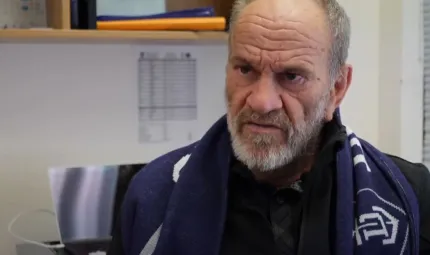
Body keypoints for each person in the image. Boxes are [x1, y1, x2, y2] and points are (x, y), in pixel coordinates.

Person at [108, 0, 430, 254]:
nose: (262, 102)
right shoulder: (152, 197)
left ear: (336, 89)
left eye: (292, 76)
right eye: (245, 69)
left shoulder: (407, 195)